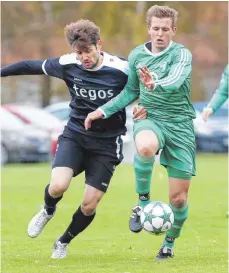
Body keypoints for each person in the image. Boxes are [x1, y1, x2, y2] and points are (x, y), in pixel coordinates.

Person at [1, 19, 147, 259]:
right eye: (78, 53)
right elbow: (30, 65)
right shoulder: (68, 63)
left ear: (99, 44)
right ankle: (48, 210)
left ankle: (63, 241)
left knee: (89, 205)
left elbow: (146, 91)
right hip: (76, 135)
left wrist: (144, 108)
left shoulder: (122, 68)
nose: (83, 58)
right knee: (58, 186)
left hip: (107, 143)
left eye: (87, 51)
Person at [85, 5, 196, 260]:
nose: (159, 34)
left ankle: (168, 244)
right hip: (150, 118)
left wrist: (155, 83)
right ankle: (143, 203)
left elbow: (177, 79)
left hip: (180, 126)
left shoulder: (182, 55)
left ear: (173, 31)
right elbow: (130, 91)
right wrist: (101, 111)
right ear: (149, 29)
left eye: (165, 29)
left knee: (178, 200)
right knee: (145, 146)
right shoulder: (136, 56)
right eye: (155, 28)